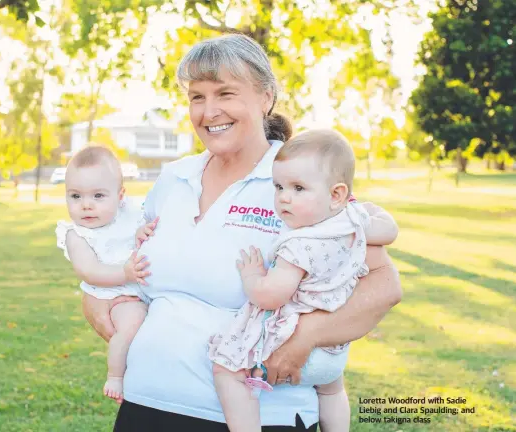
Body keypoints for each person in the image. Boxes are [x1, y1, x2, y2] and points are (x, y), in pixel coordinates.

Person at [82, 34, 402, 432]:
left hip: (261, 416)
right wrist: (97, 300)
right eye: (197, 97)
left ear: (266, 97)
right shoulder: (173, 178)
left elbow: (384, 285)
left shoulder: (298, 183)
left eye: (225, 93)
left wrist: (307, 338)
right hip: (145, 406)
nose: (209, 111)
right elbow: (125, 266)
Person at [207, 129, 399, 432]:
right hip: (333, 351)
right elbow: (388, 230)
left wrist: (252, 276)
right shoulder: (352, 224)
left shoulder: (299, 244)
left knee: (226, 371)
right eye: (279, 186)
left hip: (293, 346)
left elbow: (271, 296)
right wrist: (366, 214)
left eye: (298, 188)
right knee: (332, 390)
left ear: (336, 194)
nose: (284, 197)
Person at [55, 146, 156, 403]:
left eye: (98, 196)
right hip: (113, 295)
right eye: (75, 196)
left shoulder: (130, 215)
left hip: (137, 287)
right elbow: (90, 271)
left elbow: (140, 234)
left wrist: (141, 234)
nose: (86, 205)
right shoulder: (77, 234)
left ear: (120, 196)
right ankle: (116, 376)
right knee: (132, 324)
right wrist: (125, 273)